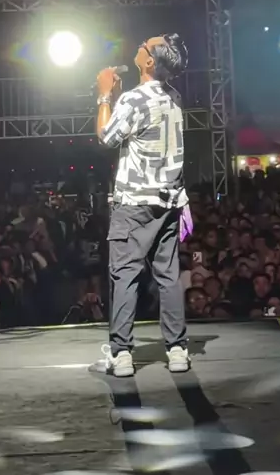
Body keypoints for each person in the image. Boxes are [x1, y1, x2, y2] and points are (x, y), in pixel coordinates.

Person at [96, 33, 190, 377]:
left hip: (134, 204)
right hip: (168, 201)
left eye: (144, 45)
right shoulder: (174, 97)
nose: (138, 45)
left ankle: (121, 353)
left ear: (149, 61)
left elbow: (106, 136)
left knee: (125, 275)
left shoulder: (133, 100)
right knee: (168, 276)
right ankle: (177, 350)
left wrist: (105, 94)